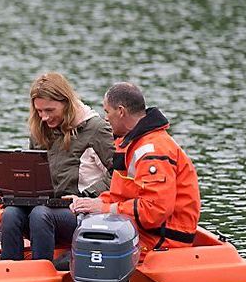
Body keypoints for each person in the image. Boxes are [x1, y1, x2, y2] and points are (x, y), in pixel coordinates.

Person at [67, 82, 201, 251]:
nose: (106, 118)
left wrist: (103, 208)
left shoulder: (153, 150)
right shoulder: (130, 143)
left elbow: (154, 210)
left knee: (72, 256)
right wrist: (94, 202)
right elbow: (121, 195)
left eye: (107, 112)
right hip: (140, 232)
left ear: (121, 111)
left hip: (160, 240)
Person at [0, 72, 113, 262]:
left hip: (81, 212)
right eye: (39, 111)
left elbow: (119, 174)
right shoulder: (40, 130)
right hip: (47, 206)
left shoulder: (96, 130)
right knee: (11, 214)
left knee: (40, 215)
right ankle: (9, 273)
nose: (44, 117)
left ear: (66, 103)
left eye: (50, 110)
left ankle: (41, 275)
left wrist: (87, 196)